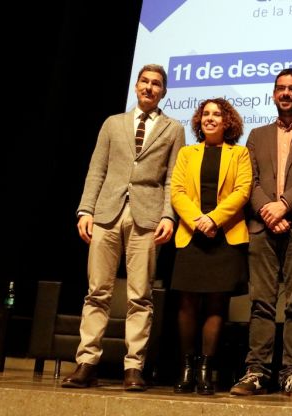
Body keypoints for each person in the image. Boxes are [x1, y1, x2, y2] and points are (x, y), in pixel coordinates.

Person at [62, 64, 185, 391]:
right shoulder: (113, 123)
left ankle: (134, 367)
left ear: (164, 91)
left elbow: (174, 178)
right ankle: (86, 362)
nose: (149, 87)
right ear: (136, 87)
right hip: (106, 213)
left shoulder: (173, 129)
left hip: (147, 216)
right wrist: (85, 210)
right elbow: (96, 170)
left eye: (156, 83)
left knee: (140, 295)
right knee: (97, 291)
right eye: (144, 81)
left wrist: (169, 215)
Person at [229, 68, 292, 398]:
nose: (286, 93)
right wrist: (267, 210)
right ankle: (256, 370)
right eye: (281, 88)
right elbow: (250, 180)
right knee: (261, 302)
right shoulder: (257, 135)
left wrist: (284, 205)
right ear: (273, 94)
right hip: (262, 226)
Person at [169, 98, 252, 395]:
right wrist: (197, 220)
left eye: (217, 114)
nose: (210, 118)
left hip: (224, 236)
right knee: (187, 304)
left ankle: (206, 369)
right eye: (206, 114)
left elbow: (243, 190)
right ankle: (187, 367)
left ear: (227, 121)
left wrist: (214, 219)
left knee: (217, 304)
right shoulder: (186, 153)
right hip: (191, 234)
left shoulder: (240, 153)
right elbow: (176, 191)